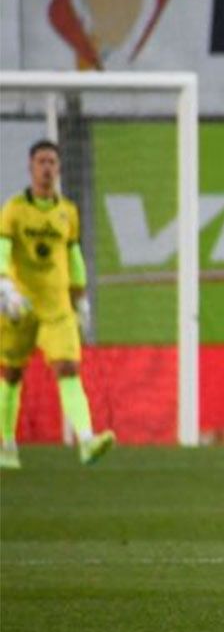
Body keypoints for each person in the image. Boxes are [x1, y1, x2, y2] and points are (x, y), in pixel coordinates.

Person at [0, 140, 116, 470]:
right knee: (10, 374)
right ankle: (6, 444)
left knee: (68, 368)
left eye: (52, 161)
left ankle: (86, 440)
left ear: (59, 168)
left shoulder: (68, 211)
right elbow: (3, 250)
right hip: (20, 307)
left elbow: (74, 257)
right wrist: (4, 285)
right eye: (41, 161)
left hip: (57, 308)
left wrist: (82, 301)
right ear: (30, 166)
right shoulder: (13, 210)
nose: (47, 168)